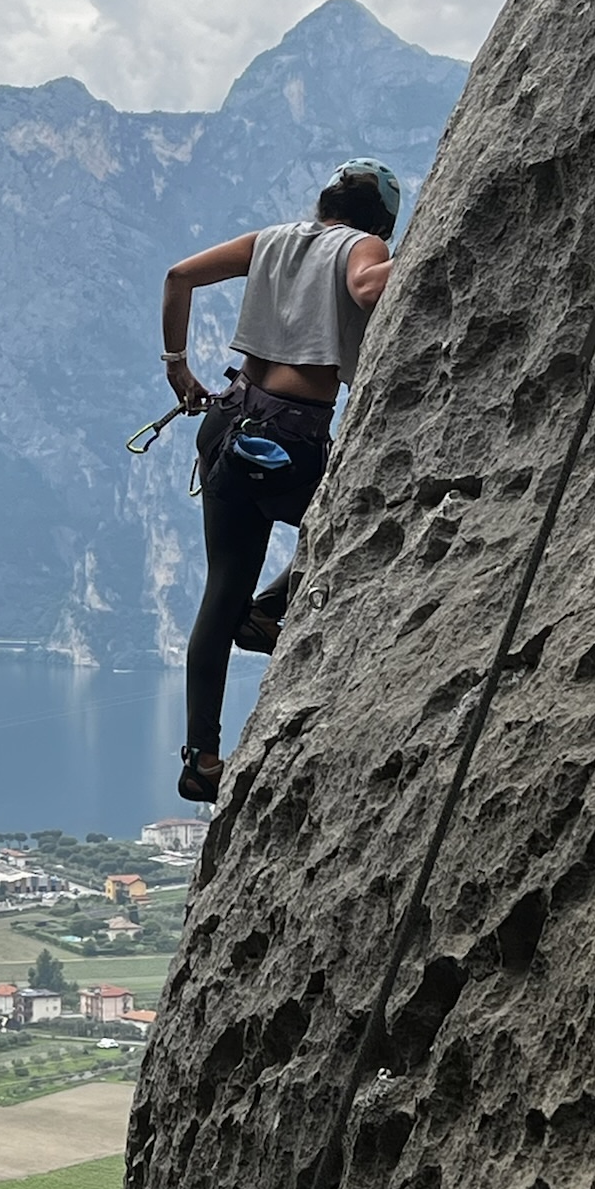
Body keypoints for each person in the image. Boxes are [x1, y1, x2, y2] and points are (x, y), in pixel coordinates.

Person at [161, 160, 400, 804]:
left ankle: (200, 758)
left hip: (226, 425)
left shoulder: (271, 239)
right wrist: (421, 253)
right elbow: (371, 288)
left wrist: (177, 366)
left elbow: (179, 276)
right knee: (364, 523)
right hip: (289, 437)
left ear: (325, 201)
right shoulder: (363, 244)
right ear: (379, 217)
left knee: (219, 591)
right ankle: (268, 608)